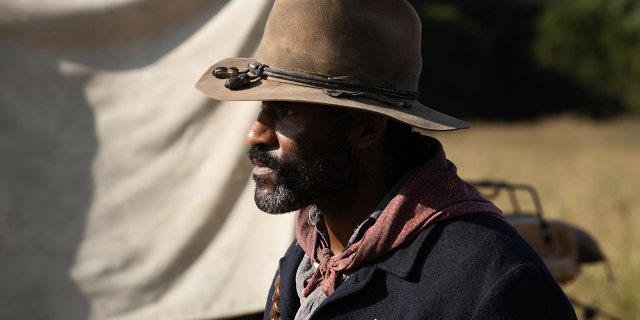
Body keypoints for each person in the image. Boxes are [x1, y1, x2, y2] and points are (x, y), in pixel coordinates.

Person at [196, 0, 577, 319]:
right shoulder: (307, 256)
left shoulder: (491, 277)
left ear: (366, 128)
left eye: (288, 112)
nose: (256, 134)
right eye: (265, 107)